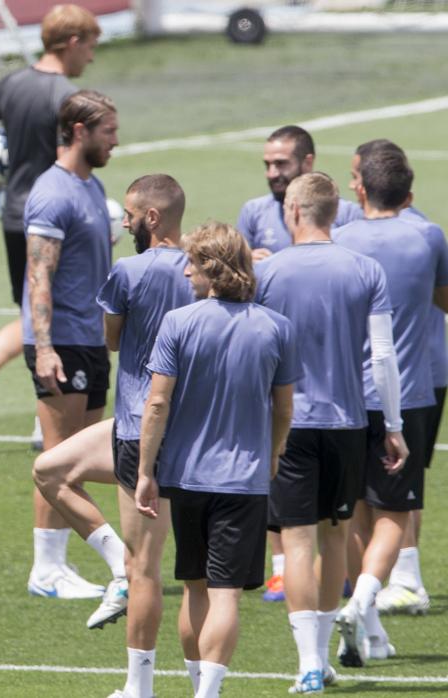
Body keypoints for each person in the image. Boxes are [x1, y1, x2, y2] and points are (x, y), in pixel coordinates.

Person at [38, 174, 192, 698]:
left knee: (146, 568)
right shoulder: (203, 269)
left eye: (129, 213)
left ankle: (138, 687)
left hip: (139, 429)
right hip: (190, 426)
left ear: (151, 218)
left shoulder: (127, 271)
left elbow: (110, 338)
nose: (122, 222)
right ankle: (114, 568)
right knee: (49, 469)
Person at [253, 171, 407, 693]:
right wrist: (393, 424)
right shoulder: (365, 270)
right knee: (337, 536)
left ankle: (308, 665)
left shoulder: (269, 273)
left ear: (293, 211)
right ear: (335, 213)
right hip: (347, 421)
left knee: (296, 542)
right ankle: (321, 656)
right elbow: (382, 355)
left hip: (289, 423)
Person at [136, 221, 299, 698]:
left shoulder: (178, 323)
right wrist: (272, 454)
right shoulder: (276, 327)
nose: (185, 272)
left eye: (192, 263)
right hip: (244, 482)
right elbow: (284, 406)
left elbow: (157, 403)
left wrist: (146, 471)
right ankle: (207, 694)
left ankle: (196, 688)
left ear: (211, 268)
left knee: (194, 586)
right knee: (225, 594)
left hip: (185, 477)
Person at [0, 4, 100, 450]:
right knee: (54, 313)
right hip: (56, 220)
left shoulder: (13, 83)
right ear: (72, 43)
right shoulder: (66, 98)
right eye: (90, 46)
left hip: (13, 213)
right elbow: (67, 160)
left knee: (30, 308)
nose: (91, 56)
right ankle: (45, 417)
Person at [331, 146, 448, 668]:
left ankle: (371, 627)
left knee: (356, 510)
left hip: (344, 397)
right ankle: (361, 604)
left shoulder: (339, 239)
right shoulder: (427, 236)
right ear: (409, 190)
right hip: (409, 396)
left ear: (361, 188)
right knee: (395, 515)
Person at [16, 89, 117, 599]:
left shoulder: (91, 187)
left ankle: (63, 562)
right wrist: (46, 346)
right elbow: (39, 275)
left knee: (80, 458)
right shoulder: (53, 192)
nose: (115, 142)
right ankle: (46, 569)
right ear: (80, 131)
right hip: (62, 343)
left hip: (90, 341)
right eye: (108, 132)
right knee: (58, 458)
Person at [236, 125, 362, 263]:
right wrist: (247, 262)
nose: (271, 174)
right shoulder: (253, 212)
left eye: (281, 163)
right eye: (267, 165)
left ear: (307, 162)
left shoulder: (348, 214)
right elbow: (235, 272)